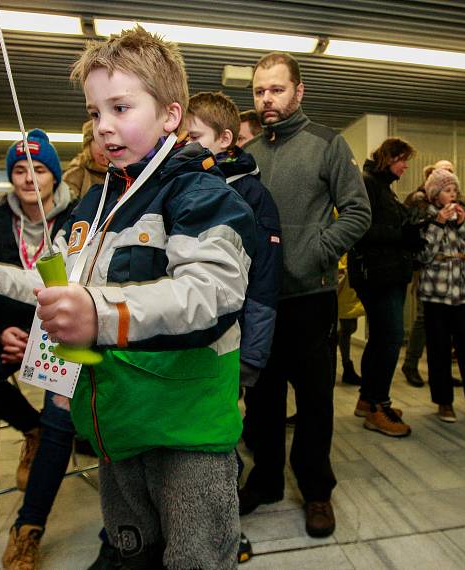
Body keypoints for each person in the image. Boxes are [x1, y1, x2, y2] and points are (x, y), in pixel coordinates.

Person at [0, 27, 257, 569]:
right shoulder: (96, 202)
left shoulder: (202, 196)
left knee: (195, 559)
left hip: (184, 431)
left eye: (120, 107)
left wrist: (99, 313)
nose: (104, 126)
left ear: (171, 115)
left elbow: (210, 295)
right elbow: (55, 286)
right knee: (130, 553)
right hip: (113, 424)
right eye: (96, 112)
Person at [238, 52, 371, 538]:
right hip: (262, 302)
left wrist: (317, 250)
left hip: (311, 297)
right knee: (264, 398)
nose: (266, 99)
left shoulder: (327, 144)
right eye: (258, 91)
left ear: (299, 91)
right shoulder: (251, 154)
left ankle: (316, 490)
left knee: (314, 401)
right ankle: (268, 479)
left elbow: (358, 212)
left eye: (275, 89)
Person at [0, 129, 78, 569]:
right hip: (10, 329)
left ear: (54, 175)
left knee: (61, 410)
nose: (29, 177)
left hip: (59, 331)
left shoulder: (80, 216)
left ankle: (28, 527)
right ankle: (33, 430)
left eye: (39, 168)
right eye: (20, 169)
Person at [186, 90, 283, 564]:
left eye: (194, 137)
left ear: (224, 141)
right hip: (187, 340)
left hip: (231, 341)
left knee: (222, 438)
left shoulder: (251, 195)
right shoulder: (180, 184)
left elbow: (263, 286)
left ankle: (228, 531)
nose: (183, 143)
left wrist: (251, 358)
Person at [348, 137, 423, 437]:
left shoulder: (381, 187)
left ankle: (368, 401)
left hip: (386, 273)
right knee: (390, 339)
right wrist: (403, 234)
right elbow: (361, 229)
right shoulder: (368, 184)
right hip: (377, 275)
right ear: (388, 157)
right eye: (403, 159)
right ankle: (379, 405)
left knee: (381, 338)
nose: (405, 166)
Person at [417, 169, 465, 424]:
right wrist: (438, 223)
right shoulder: (425, 217)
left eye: (455, 191)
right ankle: (444, 402)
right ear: (436, 195)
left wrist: (462, 224)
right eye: (448, 191)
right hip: (436, 294)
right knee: (438, 350)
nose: (453, 195)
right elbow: (423, 255)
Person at [401, 160, 461, 389]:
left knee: (445, 322)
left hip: (452, 271)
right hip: (427, 268)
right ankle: (411, 363)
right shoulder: (419, 200)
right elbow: (414, 234)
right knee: (424, 318)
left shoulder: (455, 202)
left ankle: (443, 371)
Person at [62, 119, 108, 199]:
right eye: (98, 141)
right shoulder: (76, 175)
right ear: (88, 146)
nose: (104, 147)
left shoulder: (124, 175)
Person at [337, 253, 364, 386]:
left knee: (349, 328)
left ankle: (346, 366)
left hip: (350, 293)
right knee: (346, 329)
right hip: (345, 293)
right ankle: (346, 366)